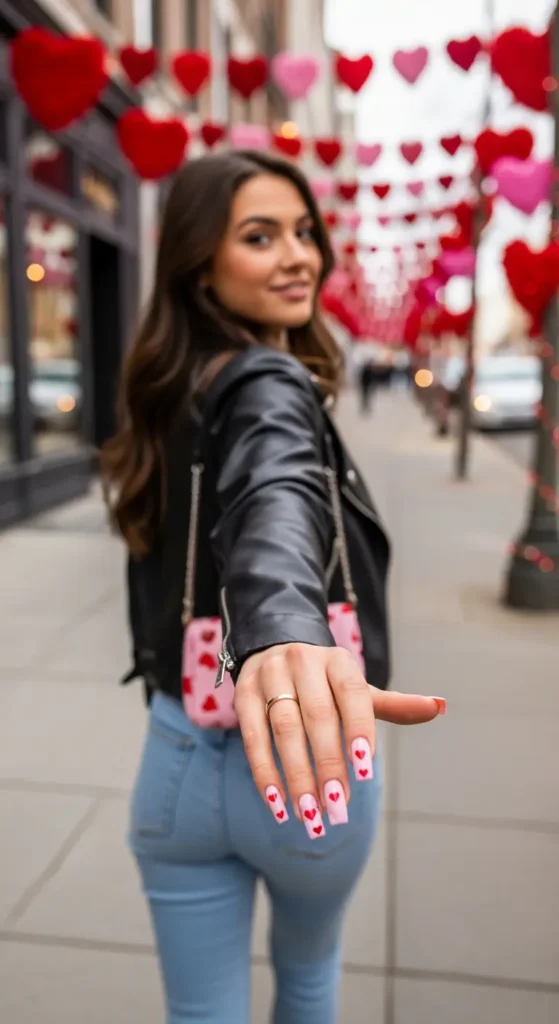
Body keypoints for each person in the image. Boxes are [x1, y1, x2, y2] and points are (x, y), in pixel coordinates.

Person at [101, 150, 446, 1024]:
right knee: (307, 982)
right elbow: (276, 493)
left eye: (303, 232)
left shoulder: (172, 390)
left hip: (177, 761)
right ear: (199, 267)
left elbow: (266, 497)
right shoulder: (267, 382)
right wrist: (286, 627)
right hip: (307, 772)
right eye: (259, 237)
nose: (299, 256)